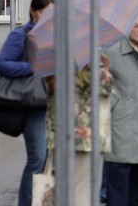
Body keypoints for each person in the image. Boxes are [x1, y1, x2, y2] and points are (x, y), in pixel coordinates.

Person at [0, 0, 54, 206]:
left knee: (48, 161)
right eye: (42, 13)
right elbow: (1, 63)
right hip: (32, 104)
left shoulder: (54, 36)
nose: (46, 18)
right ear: (33, 11)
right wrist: (31, 68)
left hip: (51, 102)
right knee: (37, 158)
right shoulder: (21, 35)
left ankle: (41, 201)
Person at [103, 8, 138, 206]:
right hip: (119, 134)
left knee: (136, 196)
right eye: (136, 26)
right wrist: (103, 78)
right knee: (117, 197)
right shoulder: (112, 51)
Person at [45, 56, 113, 205]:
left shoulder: (60, 62)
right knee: (81, 190)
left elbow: (105, 92)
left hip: (88, 136)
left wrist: (105, 71)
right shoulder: (68, 63)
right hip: (81, 136)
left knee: (84, 188)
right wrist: (103, 71)